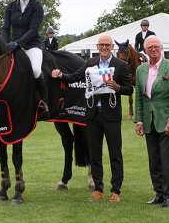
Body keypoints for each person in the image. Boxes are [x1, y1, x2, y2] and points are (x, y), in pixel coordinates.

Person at [51, 34, 133, 203]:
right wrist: (60, 75)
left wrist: (117, 87)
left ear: (112, 47)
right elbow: (74, 77)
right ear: (97, 46)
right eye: (101, 45)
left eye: (107, 45)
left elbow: (129, 89)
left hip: (111, 116)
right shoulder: (90, 63)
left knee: (115, 154)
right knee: (94, 154)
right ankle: (98, 189)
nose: (104, 47)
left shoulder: (121, 65)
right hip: (92, 115)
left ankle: (116, 191)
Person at [135, 36, 169, 208]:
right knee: (154, 160)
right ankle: (159, 193)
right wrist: (139, 120)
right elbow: (139, 98)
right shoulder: (140, 70)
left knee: (167, 159)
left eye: (156, 46)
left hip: (167, 122)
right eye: (150, 47)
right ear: (145, 50)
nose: (153, 49)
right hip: (149, 121)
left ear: (161, 48)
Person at [1, 0, 48, 113]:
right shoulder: (10, 7)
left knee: (35, 69)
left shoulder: (37, 6)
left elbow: (33, 30)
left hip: (32, 45)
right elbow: (5, 28)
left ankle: (43, 100)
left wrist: (17, 43)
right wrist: (5, 45)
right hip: (14, 46)